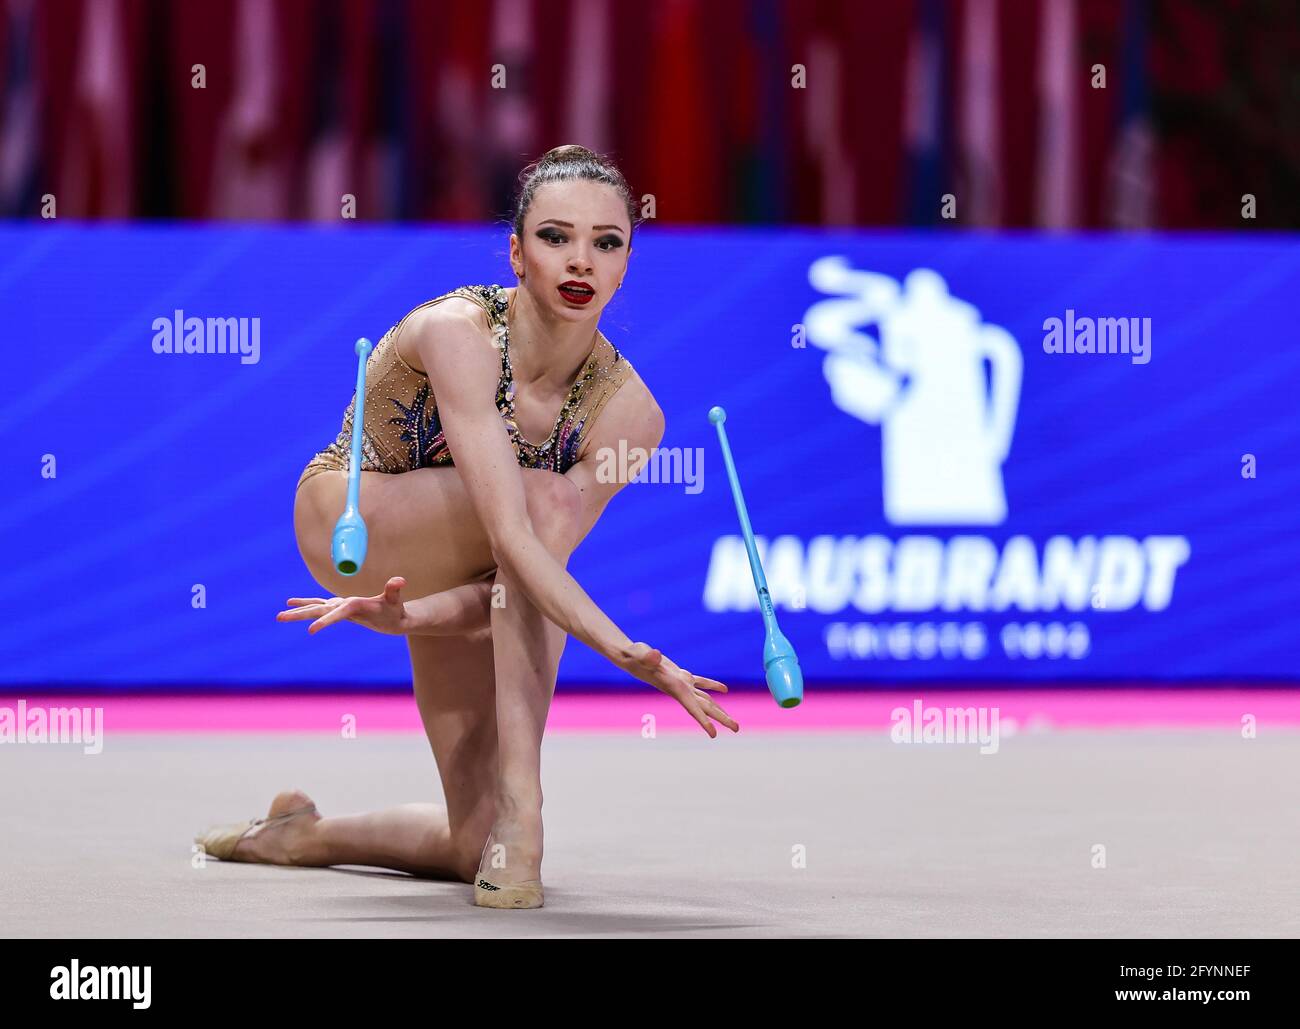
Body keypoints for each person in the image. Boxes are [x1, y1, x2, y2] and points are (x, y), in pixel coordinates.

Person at [195, 145, 739, 909]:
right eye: (555, 237)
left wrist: (411, 615)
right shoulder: (462, 334)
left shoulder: (630, 418)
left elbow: (512, 583)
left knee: (467, 842)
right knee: (542, 504)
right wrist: (628, 651)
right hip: (356, 522)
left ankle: (300, 834)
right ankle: (527, 804)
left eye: (606, 242)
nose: (580, 259)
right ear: (516, 253)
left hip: (457, 569)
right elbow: (519, 537)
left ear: (626, 265)